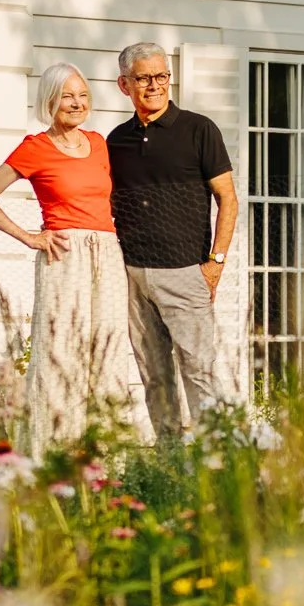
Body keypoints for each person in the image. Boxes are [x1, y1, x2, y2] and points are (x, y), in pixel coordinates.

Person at [0, 62, 140, 454]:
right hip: (64, 254)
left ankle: (108, 453)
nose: (77, 103)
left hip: (108, 252)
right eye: (68, 96)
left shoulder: (99, 143)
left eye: (82, 95)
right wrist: (30, 237)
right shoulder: (35, 148)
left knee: (109, 347)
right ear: (50, 101)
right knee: (60, 350)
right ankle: (53, 451)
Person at [106, 42, 239, 438]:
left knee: (199, 369)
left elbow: (227, 198)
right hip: (132, 274)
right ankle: (169, 462)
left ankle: (218, 456)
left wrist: (215, 262)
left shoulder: (199, 129)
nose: (154, 85)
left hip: (186, 271)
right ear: (124, 84)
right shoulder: (116, 141)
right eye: (143, 78)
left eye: (161, 76)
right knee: (154, 373)